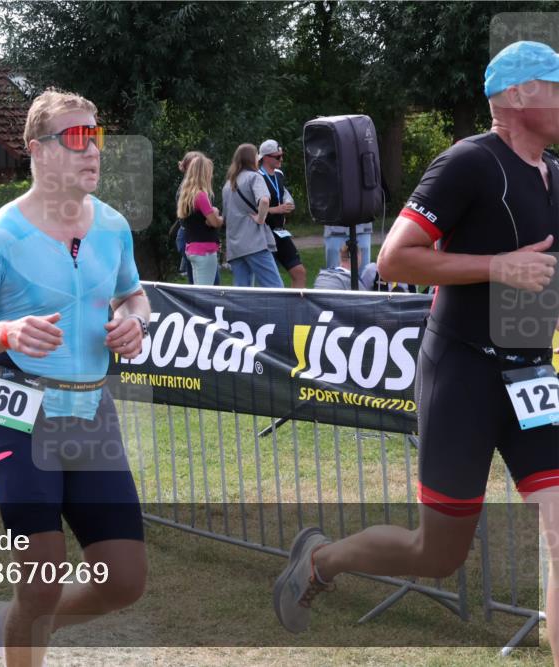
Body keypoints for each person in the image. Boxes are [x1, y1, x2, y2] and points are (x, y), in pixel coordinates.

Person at [273, 42, 559, 667]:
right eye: (555, 84)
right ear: (515, 97)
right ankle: (321, 560)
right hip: (463, 372)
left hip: (532, 375)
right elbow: (395, 258)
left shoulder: (553, 173)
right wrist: (498, 267)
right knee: (438, 553)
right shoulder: (467, 163)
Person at [0, 89, 150, 667]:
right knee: (43, 580)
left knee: (125, 578)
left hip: (91, 414)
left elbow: (134, 295)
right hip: (20, 413)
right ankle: (29, 626)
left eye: (96, 135)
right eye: (76, 137)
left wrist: (132, 321)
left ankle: (19, 622)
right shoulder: (1, 234)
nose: (93, 148)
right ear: (38, 152)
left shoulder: (114, 226)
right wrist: (5, 333)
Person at [222, 143, 284, 288]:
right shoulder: (254, 177)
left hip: (235, 245)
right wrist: (260, 219)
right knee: (275, 288)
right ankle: (280, 312)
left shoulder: (228, 184)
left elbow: (225, 217)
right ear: (251, 158)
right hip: (254, 242)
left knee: (242, 292)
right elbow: (263, 200)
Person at [258, 140, 307, 288]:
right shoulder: (256, 176)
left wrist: (287, 205)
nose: (281, 159)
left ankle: (295, 310)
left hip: (280, 232)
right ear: (266, 157)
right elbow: (252, 209)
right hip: (264, 233)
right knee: (270, 281)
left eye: (281, 156)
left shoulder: (279, 174)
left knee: (299, 272)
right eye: (277, 157)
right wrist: (275, 210)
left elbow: (284, 194)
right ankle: (273, 310)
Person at [177, 155, 224, 285]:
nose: (211, 176)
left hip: (193, 247)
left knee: (199, 290)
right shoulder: (201, 195)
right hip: (205, 250)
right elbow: (214, 222)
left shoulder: (187, 194)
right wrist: (218, 215)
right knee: (206, 293)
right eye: (209, 172)